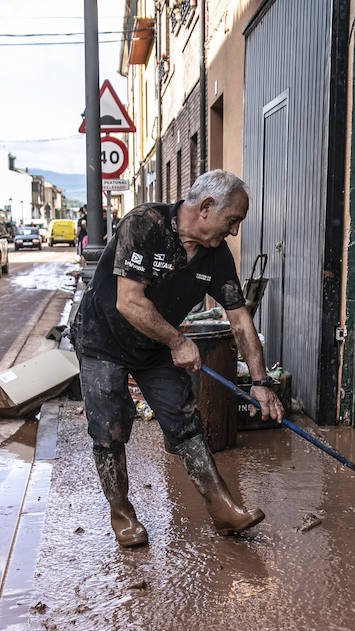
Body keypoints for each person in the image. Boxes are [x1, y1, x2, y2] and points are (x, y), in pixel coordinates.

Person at [70, 169, 284, 548]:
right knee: (110, 429)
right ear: (205, 207)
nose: (234, 232)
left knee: (185, 421)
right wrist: (178, 341)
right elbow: (129, 301)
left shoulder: (216, 256)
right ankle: (122, 515)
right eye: (232, 220)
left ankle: (223, 510)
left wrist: (261, 382)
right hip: (102, 338)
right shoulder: (145, 224)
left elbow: (239, 319)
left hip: (153, 347)